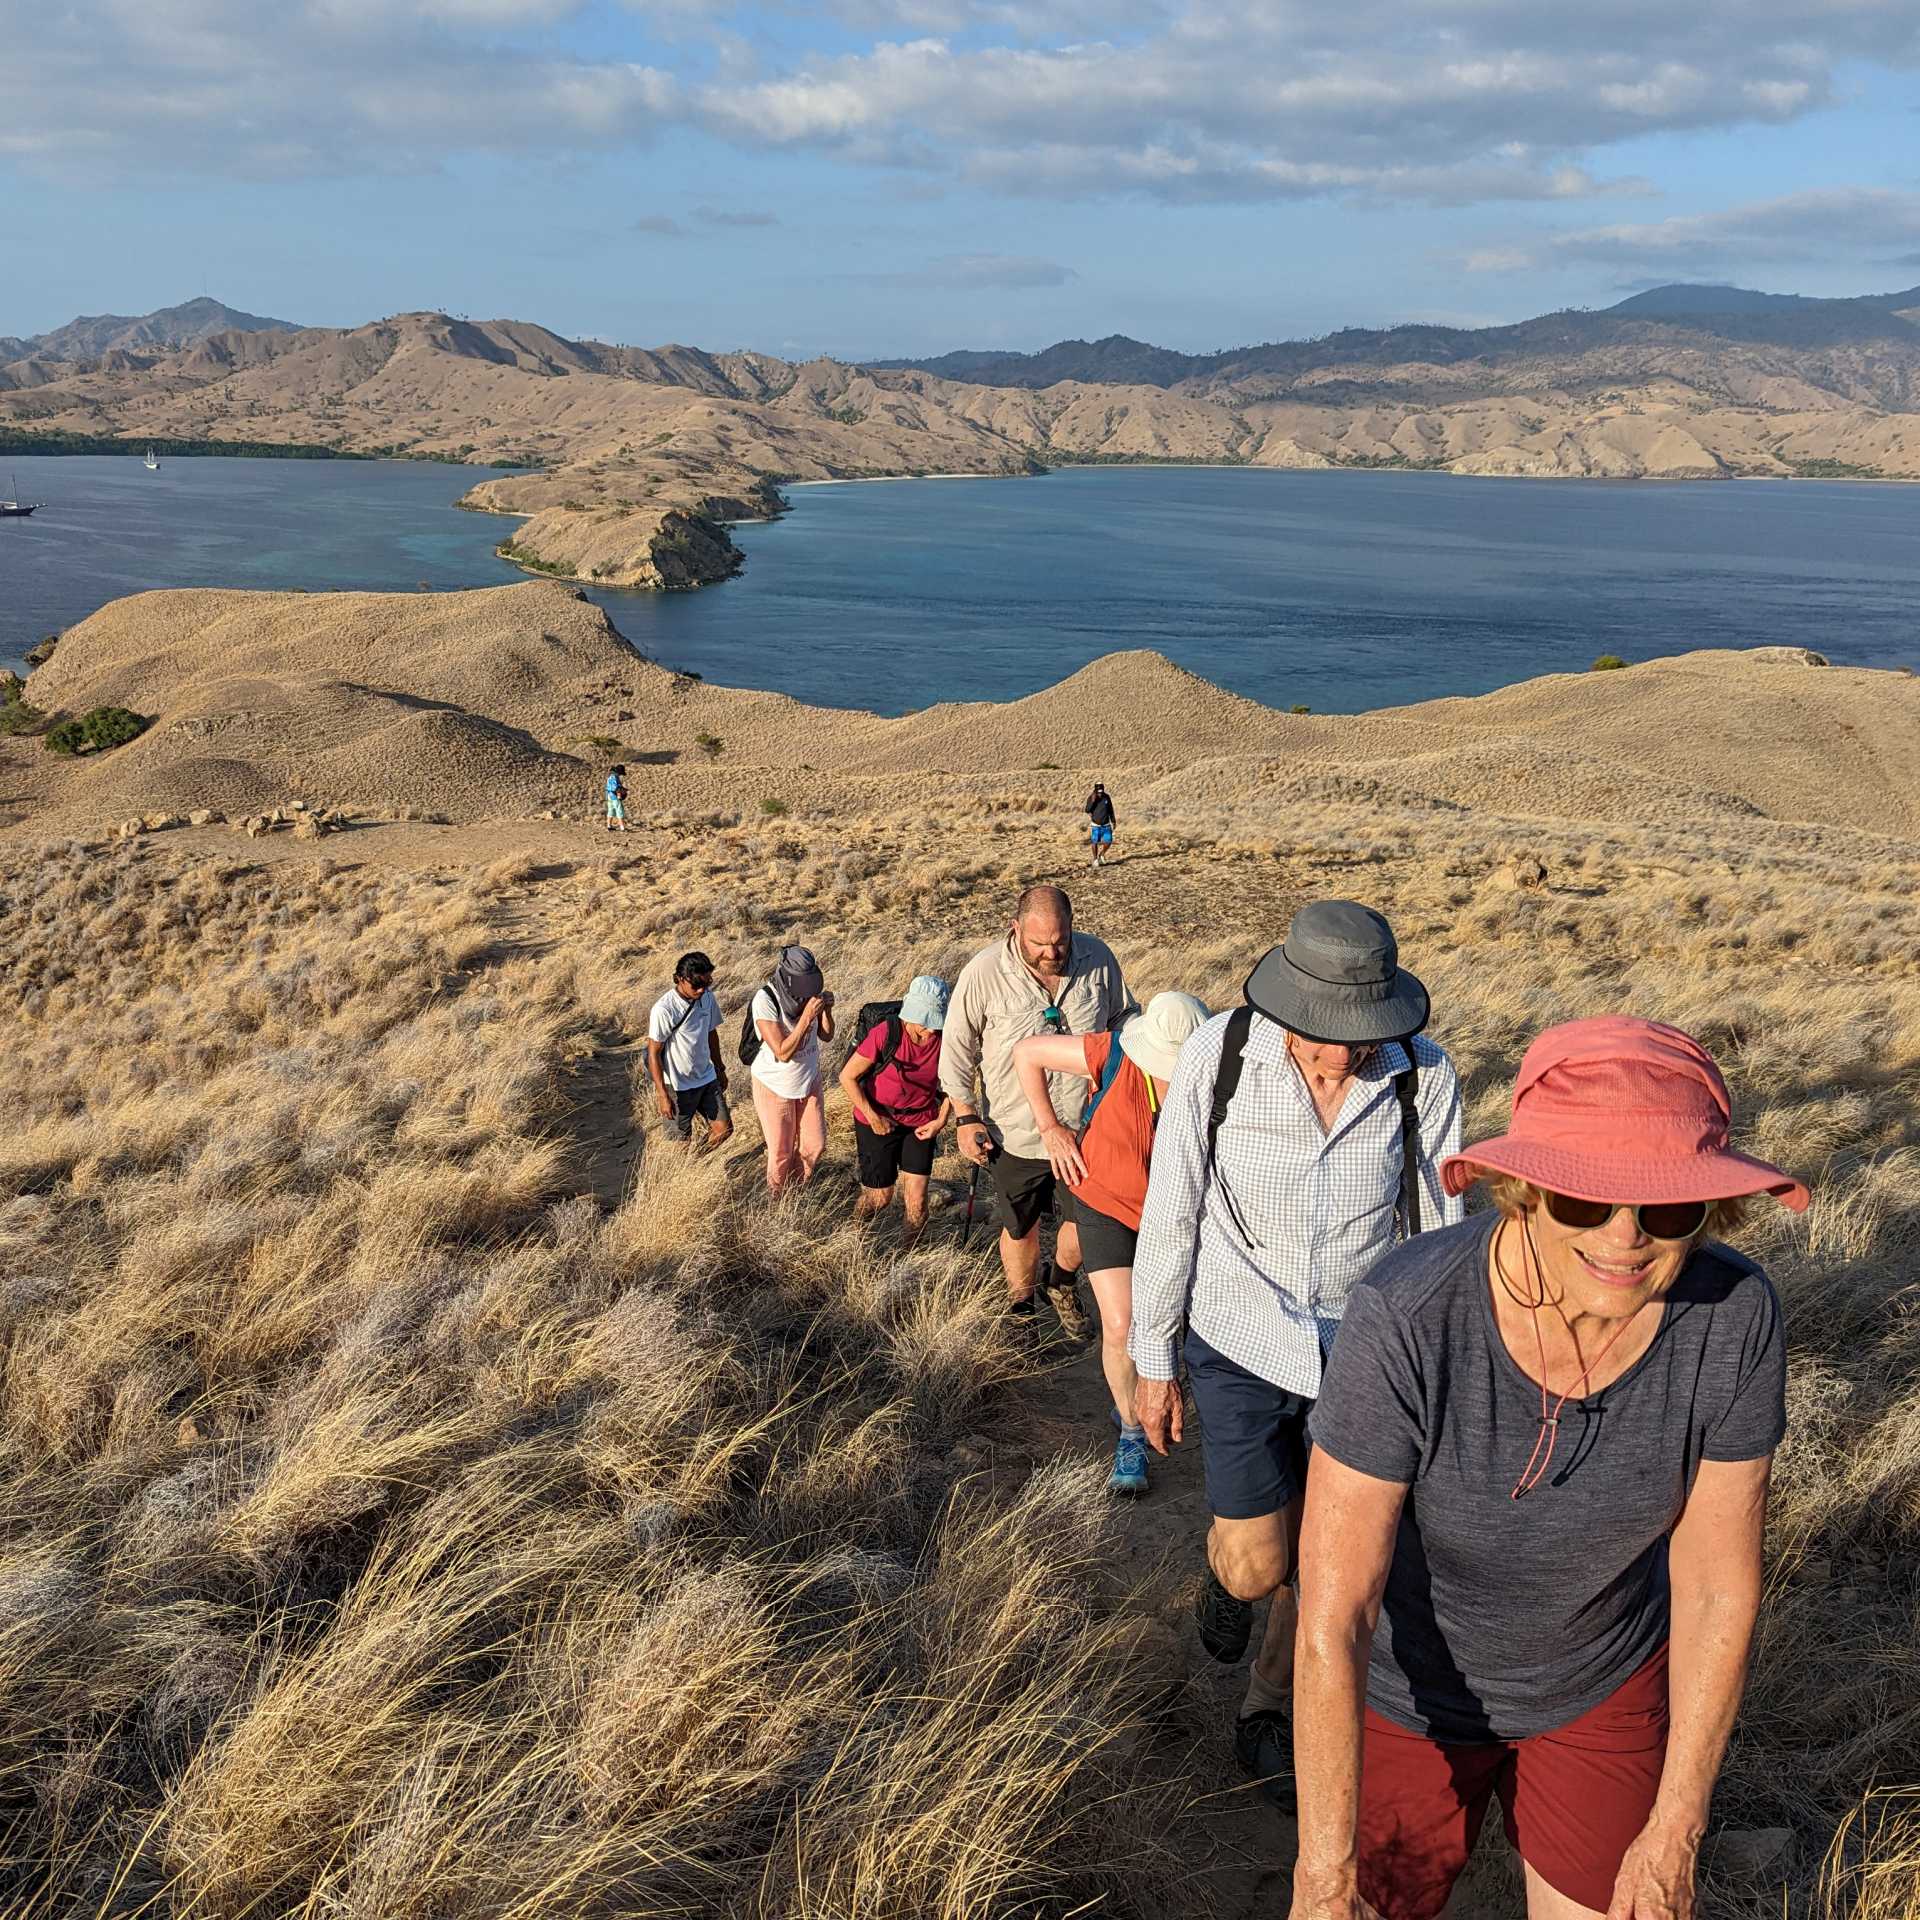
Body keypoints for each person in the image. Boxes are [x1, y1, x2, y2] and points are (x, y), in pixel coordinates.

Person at [1289, 1017, 1810, 1920]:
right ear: (1525, 1192)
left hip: (1599, 1682)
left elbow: (1716, 1584)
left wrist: (1677, 1826)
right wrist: (1323, 1874)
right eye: (1582, 1201)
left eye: (1668, 1209)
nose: (1624, 1238)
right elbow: (1336, 1615)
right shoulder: (1407, 1316)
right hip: (1407, 1691)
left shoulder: (1734, 1317)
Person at [1129, 900, 1462, 1795]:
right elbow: (1173, 1207)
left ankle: (1269, 1705)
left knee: (1330, 1557)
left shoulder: (1423, 1075)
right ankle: (1229, 1574)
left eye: (1359, 1033)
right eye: (1322, 1033)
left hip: (1364, 1346)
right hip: (1240, 1331)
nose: (1340, 1054)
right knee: (1258, 1564)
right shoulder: (1221, 1054)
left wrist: (1440, 1367)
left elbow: (1439, 1226)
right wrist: (1154, 1360)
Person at [1015, 989, 1210, 1496]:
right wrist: (1050, 1128)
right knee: (1122, 1324)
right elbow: (1027, 1052)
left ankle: (1158, 1397)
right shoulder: (1114, 1053)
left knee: (1177, 1324)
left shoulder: (1218, 1076)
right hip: (1104, 1202)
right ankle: (1130, 1433)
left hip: (1178, 1214)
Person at [940, 884, 1131, 1339]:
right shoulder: (984, 971)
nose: (1051, 953)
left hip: (1086, 1128)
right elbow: (958, 1048)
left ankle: (1060, 1281)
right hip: (1015, 1132)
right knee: (1020, 1226)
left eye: (1060, 942)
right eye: (1039, 943)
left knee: (1085, 1225)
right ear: (1015, 928)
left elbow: (1124, 1022)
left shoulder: (1098, 958)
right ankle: (1022, 1307)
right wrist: (966, 1116)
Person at [840, 974, 953, 1243]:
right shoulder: (886, 1033)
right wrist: (873, 1117)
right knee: (880, 1197)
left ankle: (908, 1257)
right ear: (910, 1014)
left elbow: (956, 1084)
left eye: (935, 1022)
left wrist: (941, 1120)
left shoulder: (945, 1039)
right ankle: (855, 1237)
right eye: (925, 1022)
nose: (931, 1031)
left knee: (918, 1203)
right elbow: (847, 1077)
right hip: (877, 1118)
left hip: (922, 1122)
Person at [749, 944, 834, 1195]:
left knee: (814, 1144)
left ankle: (796, 1192)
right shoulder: (765, 999)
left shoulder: (810, 992)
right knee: (780, 1152)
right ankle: (777, 1200)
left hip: (808, 1080)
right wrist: (806, 1018)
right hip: (775, 1085)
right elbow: (782, 1052)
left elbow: (827, 1035)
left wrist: (827, 1011)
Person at [645, 950, 731, 1148]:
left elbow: (711, 1033)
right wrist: (662, 1094)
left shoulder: (708, 998)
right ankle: (686, 1165)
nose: (701, 990)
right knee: (680, 1144)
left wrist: (720, 1068)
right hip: (677, 1084)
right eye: (696, 985)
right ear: (680, 979)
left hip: (706, 1077)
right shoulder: (664, 1009)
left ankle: (699, 1158)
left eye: (707, 984)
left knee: (724, 1130)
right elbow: (653, 1053)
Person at [1085, 782, 1116, 868]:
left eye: (1101, 791)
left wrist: (1113, 821)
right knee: (1094, 842)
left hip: (1106, 824)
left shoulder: (1107, 797)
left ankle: (1101, 855)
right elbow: (1087, 810)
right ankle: (1095, 859)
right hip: (1096, 825)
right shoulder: (1091, 797)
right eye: (1099, 792)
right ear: (1095, 790)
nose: (1100, 793)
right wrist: (1093, 801)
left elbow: (1110, 810)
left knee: (1108, 841)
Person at [605, 764, 628, 832]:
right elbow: (616, 788)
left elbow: (610, 787)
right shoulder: (615, 777)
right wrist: (619, 795)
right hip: (615, 797)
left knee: (610, 811)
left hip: (609, 796)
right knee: (619, 811)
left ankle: (609, 826)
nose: (621, 775)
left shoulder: (610, 777)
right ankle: (622, 827)